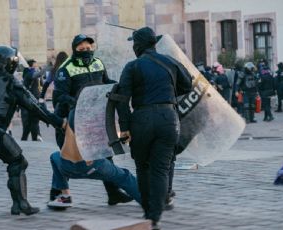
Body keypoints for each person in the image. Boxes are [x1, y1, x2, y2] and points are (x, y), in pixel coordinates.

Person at [0, 45, 65, 217]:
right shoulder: (10, 81)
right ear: (9, 62)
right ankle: (20, 203)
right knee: (18, 162)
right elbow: (34, 106)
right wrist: (58, 122)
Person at [116, 27, 192, 229]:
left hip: (141, 119)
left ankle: (148, 211)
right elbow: (188, 84)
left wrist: (124, 128)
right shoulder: (170, 62)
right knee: (160, 170)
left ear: (138, 45)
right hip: (169, 118)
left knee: (143, 167)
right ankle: (155, 217)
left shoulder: (132, 67)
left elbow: (123, 100)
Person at [52, 34, 134, 206]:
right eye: (81, 49)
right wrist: (77, 103)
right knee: (65, 157)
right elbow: (59, 95)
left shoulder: (98, 62)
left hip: (95, 119)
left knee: (104, 154)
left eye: (89, 48)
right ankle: (59, 194)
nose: (86, 51)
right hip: (73, 122)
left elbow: (105, 82)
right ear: (74, 49)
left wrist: (118, 85)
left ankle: (113, 193)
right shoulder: (65, 68)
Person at [46, 113, 141, 208]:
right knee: (124, 177)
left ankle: (65, 196)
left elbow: (53, 118)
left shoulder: (71, 116)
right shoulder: (98, 118)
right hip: (93, 165)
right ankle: (147, 200)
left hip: (67, 166)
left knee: (54, 157)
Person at [20, 59, 44, 141]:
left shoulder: (33, 73)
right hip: (30, 99)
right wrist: (46, 69)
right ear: (32, 64)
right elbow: (36, 76)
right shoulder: (29, 73)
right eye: (35, 63)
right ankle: (33, 137)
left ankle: (36, 136)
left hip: (34, 98)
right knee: (29, 121)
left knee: (33, 120)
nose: (36, 64)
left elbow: (42, 83)